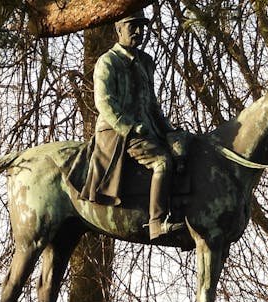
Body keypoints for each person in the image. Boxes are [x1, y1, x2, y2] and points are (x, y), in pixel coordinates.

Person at [71, 10, 186, 240]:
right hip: (118, 132)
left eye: (142, 26)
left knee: (182, 152)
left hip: (147, 130)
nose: (139, 31)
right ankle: (156, 222)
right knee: (162, 162)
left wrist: (170, 131)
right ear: (119, 29)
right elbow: (104, 102)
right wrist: (130, 127)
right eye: (133, 26)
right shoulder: (108, 61)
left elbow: (152, 104)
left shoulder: (146, 62)